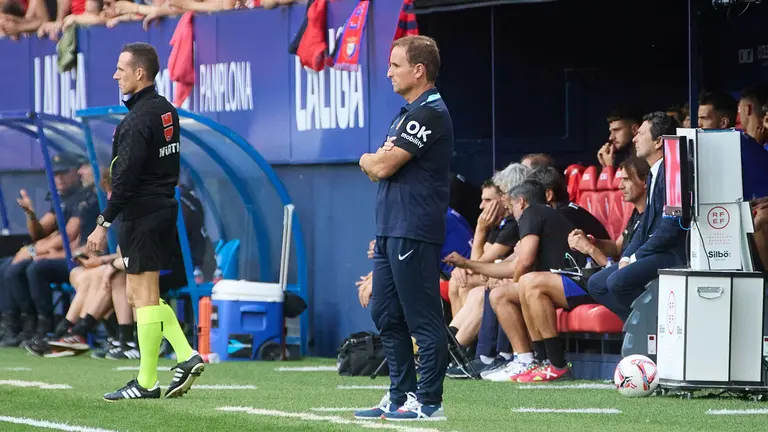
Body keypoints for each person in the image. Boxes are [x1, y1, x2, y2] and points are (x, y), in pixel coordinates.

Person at [86, 42, 204, 401]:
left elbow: (126, 178)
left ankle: (156, 375)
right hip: (159, 209)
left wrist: (103, 221)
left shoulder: (137, 119)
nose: (115, 75)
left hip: (143, 214)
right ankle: (172, 364)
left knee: (145, 297)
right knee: (140, 296)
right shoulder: (166, 110)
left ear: (140, 73)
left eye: (121, 69)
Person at [355, 35, 452, 421]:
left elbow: (380, 167)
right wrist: (376, 162)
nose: (388, 72)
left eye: (395, 65)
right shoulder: (406, 113)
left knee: (422, 318)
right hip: (392, 228)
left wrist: (366, 158)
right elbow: (381, 170)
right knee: (386, 313)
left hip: (414, 229)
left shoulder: (430, 112)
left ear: (419, 70)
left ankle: (429, 403)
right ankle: (399, 396)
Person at [587, 112, 687, 322]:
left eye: (640, 134)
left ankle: (656, 326)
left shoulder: (674, 173)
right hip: (653, 252)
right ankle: (641, 326)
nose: (634, 139)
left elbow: (671, 229)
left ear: (659, 142)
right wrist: (626, 257)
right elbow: (644, 228)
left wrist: (635, 258)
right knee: (596, 283)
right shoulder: (654, 173)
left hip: (674, 254)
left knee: (617, 281)